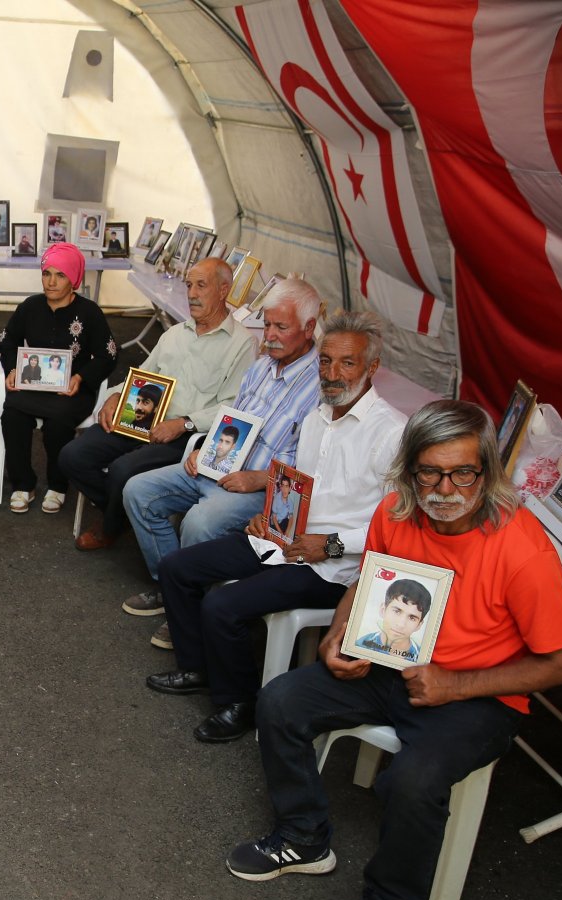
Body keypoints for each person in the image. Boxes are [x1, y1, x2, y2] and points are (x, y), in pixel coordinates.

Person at [225, 400, 562, 900]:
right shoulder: (395, 513)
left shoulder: (521, 546)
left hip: (478, 694)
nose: (445, 488)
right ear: (409, 471)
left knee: (413, 780)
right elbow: (370, 577)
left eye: (462, 473)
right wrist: (340, 635)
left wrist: (455, 684)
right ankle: (303, 836)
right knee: (281, 699)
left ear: (487, 473)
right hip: (391, 661)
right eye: (429, 473)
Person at [146, 310, 408, 741]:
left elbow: (396, 528)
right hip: (286, 542)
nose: (332, 372)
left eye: (347, 363)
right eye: (325, 361)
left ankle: (238, 704)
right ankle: (195, 667)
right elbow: (299, 487)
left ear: (372, 368)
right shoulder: (316, 419)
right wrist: (271, 516)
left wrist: (333, 546)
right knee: (178, 567)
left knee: (222, 606)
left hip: (334, 567)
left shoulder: (393, 433)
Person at [119, 277, 324, 627]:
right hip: (219, 465)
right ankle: (173, 589)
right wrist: (203, 446)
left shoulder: (322, 385)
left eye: (280, 327)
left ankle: (185, 610)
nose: (269, 335)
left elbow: (315, 465)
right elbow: (232, 419)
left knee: (202, 520)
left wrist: (261, 478)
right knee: (138, 491)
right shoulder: (261, 367)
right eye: (267, 324)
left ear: (308, 328)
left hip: (259, 489)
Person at [60, 257, 256, 550]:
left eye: (201, 285)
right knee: (73, 456)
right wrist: (114, 395)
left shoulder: (242, 343)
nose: (191, 293)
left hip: (186, 434)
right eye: (189, 285)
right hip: (142, 417)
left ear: (224, 289)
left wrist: (183, 423)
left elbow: (233, 407)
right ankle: (123, 512)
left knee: (123, 470)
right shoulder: (175, 334)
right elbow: (143, 375)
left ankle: (112, 524)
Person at [0, 242, 116, 514]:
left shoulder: (89, 313)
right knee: (13, 413)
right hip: (34, 383)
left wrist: (81, 378)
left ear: (73, 279)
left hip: (72, 391)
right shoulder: (30, 307)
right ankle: (23, 484)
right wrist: (13, 369)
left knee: (58, 423)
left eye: (60, 275)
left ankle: (58, 485)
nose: (51, 282)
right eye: (46, 273)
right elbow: (8, 342)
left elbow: (107, 355)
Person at [355, 578, 431, 661]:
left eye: (412, 618)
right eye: (397, 611)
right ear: (383, 610)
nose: (401, 624)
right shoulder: (359, 645)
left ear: (419, 625)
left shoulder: (421, 660)